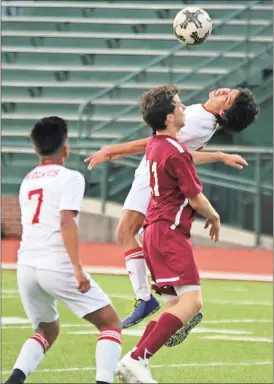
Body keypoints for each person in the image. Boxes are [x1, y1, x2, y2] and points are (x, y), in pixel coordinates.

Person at [84, 87, 258, 333]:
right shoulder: (205, 117)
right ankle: (173, 304)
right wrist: (220, 155)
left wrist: (111, 150)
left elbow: (155, 142)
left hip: (152, 176)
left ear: (225, 111)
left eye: (227, 97)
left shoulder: (199, 119)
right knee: (144, 236)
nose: (223, 91)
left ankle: (150, 300)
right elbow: (185, 152)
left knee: (129, 233)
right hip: (152, 172)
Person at [4, 117, 122, 384]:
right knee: (110, 323)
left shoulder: (27, 179)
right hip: (55, 264)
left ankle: (15, 379)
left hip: (26, 267)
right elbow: (66, 221)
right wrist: (78, 268)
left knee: (46, 329)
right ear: (66, 148)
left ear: (36, 150)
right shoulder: (70, 177)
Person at [117, 85, 222, 383]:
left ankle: (135, 359)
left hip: (152, 231)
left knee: (175, 306)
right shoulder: (176, 152)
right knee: (193, 303)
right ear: (167, 117)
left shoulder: (155, 143)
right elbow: (195, 198)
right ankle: (137, 358)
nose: (184, 108)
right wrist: (213, 216)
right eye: (178, 105)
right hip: (169, 232)